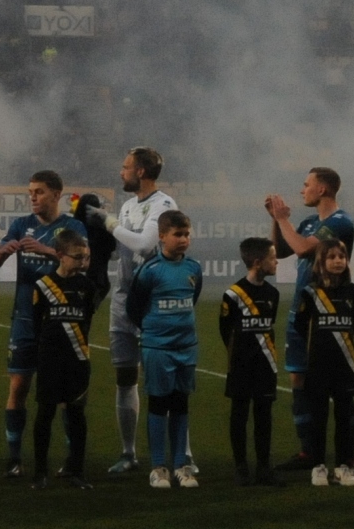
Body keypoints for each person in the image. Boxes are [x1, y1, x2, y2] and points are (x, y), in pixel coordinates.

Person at [80, 147, 178, 476]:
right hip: (123, 300)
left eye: (126, 167)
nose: (121, 173)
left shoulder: (163, 205)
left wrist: (106, 222)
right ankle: (128, 453)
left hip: (151, 301)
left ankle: (180, 455)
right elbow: (120, 247)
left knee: (164, 382)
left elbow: (145, 245)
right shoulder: (127, 206)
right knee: (124, 378)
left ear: (141, 172)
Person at [0, 170, 83, 477]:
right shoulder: (21, 225)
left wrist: (47, 251)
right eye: (30, 192)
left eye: (39, 192)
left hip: (62, 320)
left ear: (56, 194)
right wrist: (3, 252)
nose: (33, 197)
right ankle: (14, 458)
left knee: (68, 394)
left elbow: (87, 261)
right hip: (26, 318)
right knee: (19, 385)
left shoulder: (73, 226)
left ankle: (71, 461)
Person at [267, 167, 354, 472]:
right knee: (299, 379)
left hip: (328, 315)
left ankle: (345, 455)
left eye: (307, 185)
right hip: (301, 310)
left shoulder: (340, 223)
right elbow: (279, 251)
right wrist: (275, 221)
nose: (302, 189)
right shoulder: (306, 222)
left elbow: (304, 247)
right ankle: (308, 451)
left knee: (336, 387)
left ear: (323, 190)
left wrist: (282, 219)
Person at [128, 210, 202, 489]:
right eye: (178, 234)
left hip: (186, 347)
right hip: (158, 347)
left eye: (187, 234)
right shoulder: (149, 271)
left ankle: (181, 465)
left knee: (181, 404)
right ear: (161, 236)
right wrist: (155, 331)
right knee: (159, 404)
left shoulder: (193, 268)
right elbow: (134, 308)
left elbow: (191, 299)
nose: (183, 240)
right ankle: (159, 467)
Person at [28, 229, 96, 490]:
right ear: (60, 255)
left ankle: (77, 470)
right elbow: (37, 325)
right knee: (45, 414)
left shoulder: (86, 287)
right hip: (50, 360)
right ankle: (40, 473)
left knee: (77, 415)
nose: (82, 262)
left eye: (86, 257)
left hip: (78, 359)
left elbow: (87, 320)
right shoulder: (43, 286)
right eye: (77, 257)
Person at [293, 237, 354, 487]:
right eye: (331, 257)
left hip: (346, 366)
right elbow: (301, 325)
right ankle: (318, 466)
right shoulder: (310, 292)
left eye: (341, 257)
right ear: (321, 262)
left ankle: (344, 467)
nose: (337, 261)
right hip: (318, 367)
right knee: (318, 418)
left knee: (345, 418)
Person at [219, 237, 282, 486]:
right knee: (239, 414)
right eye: (272, 258)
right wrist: (238, 356)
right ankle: (241, 466)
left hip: (266, 363)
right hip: (241, 365)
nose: (276, 262)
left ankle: (264, 467)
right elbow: (225, 330)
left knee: (264, 414)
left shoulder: (272, 294)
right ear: (257, 262)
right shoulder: (233, 295)